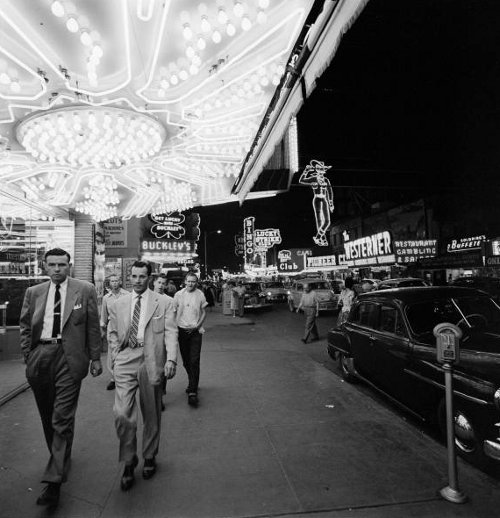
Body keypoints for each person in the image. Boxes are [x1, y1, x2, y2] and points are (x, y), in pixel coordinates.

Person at [19, 248, 103, 507]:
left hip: (70, 358)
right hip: (41, 356)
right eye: (52, 265)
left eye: (62, 265)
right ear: (45, 266)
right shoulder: (33, 292)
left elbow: (92, 324)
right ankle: (60, 455)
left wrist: (96, 357)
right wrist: (28, 354)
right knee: (48, 416)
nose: (57, 269)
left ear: (70, 266)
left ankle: (54, 482)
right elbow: (24, 325)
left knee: (61, 416)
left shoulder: (84, 289)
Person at [108, 261, 178, 491]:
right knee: (122, 413)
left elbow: (170, 331)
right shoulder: (119, 303)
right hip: (126, 358)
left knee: (151, 412)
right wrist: (116, 356)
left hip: (152, 360)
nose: (137, 281)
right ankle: (129, 460)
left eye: (142, 276)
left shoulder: (164, 302)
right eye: (134, 276)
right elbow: (113, 331)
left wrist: (171, 359)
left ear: (149, 277)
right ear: (130, 277)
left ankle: (149, 456)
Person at [173, 272, 208, 407]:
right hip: (182, 331)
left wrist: (197, 326)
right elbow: (173, 311)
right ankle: (192, 380)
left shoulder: (200, 294)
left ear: (196, 282)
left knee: (194, 360)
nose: (191, 284)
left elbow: (204, 312)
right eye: (188, 281)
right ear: (185, 281)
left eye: (193, 281)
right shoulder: (178, 295)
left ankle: (192, 391)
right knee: (186, 361)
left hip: (195, 332)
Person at [101, 274, 129, 391]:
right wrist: (103, 329)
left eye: (117, 280)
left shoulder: (127, 295)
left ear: (120, 282)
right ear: (109, 283)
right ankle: (113, 378)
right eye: (112, 281)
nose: (115, 283)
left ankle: (125, 378)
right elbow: (104, 315)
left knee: (125, 353)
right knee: (112, 354)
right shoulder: (106, 298)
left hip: (125, 327)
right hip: (112, 328)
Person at [299, 160, 334, 246]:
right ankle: (323, 239)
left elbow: (329, 191)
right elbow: (301, 180)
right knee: (319, 220)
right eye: (318, 168)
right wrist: (306, 171)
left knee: (327, 221)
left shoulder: (326, 180)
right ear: (316, 170)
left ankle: (318, 237)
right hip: (317, 199)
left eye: (321, 168)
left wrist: (331, 203)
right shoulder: (313, 178)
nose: (320, 170)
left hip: (324, 199)